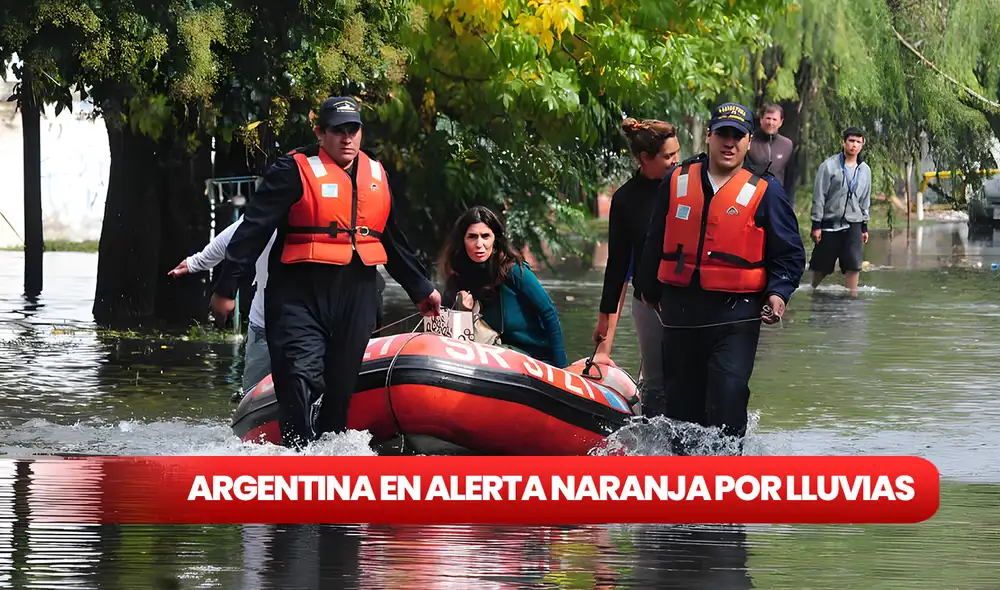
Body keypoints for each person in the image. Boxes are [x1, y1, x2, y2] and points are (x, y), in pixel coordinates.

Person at [210, 96, 441, 448]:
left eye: (353, 130)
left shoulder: (375, 175)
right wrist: (227, 289)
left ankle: (328, 464)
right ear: (320, 132)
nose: (347, 138)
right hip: (299, 297)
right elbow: (252, 230)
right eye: (338, 131)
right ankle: (296, 459)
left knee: (340, 390)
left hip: (356, 298)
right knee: (299, 380)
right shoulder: (292, 171)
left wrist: (422, 289)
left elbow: (391, 239)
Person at [636, 102, 806, 453]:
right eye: (723, 135)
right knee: (681, 414)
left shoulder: (766, 191)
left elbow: (790, 254)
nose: (729, 143)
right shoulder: (677, 181)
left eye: (738, 136)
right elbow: (654, 239)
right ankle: (685, 490)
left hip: (736, 315)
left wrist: (778, 293)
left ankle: (727, 485)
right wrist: (647, 287)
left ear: (747, 142)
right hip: (681, 314)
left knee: (728, 400)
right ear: (709, 136)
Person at [167, 216, 387, 397]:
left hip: (319, 327)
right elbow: (230, 241)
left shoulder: (342, 224)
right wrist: (195, 263)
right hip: (268, 324)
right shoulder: (267, 217)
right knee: (255, 394)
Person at [592, 117, 680, 412]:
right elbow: (617, 265)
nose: (675, 161)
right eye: (668, 156)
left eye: (677, 153)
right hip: (648, 301)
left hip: (689, 296)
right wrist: (604, 323)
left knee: (686, 378)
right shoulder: (625, 199)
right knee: (655, 383)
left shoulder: (688, 187)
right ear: (645, 158)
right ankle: (652, 449)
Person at [438, 206, 569, 369]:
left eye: (485, 236)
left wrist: (562, 368)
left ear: (495, 239)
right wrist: (461, 310)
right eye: (472, 237)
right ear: (462, 241)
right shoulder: (457, 279)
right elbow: (444, 327)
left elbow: (549, 313)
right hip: (489, 352)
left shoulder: (513, 270)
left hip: (531, 356)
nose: (479, 244)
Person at [809, 126, 871, 296]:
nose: (854, 145)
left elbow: (865, 199)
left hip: (854, 223)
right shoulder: (829, 166)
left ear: (862, 144)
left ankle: (852, 298)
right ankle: (812, 291)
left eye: (858, 142)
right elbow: (819, 195)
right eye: (851, 141)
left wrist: (864, 226)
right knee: (821, 266)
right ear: (843, 142)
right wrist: (816, 224)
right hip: (830, 222)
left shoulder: (865, 170)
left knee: (853, 265)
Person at [745, 103, 794, 190]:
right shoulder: (749, 141)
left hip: (776, 196)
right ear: (761, 119)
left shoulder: (787, 145)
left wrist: (788, 202)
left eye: (774, 119)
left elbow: (790, 179)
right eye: (768, 118)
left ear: (780, 122)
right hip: (751, 194)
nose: (771, 122)